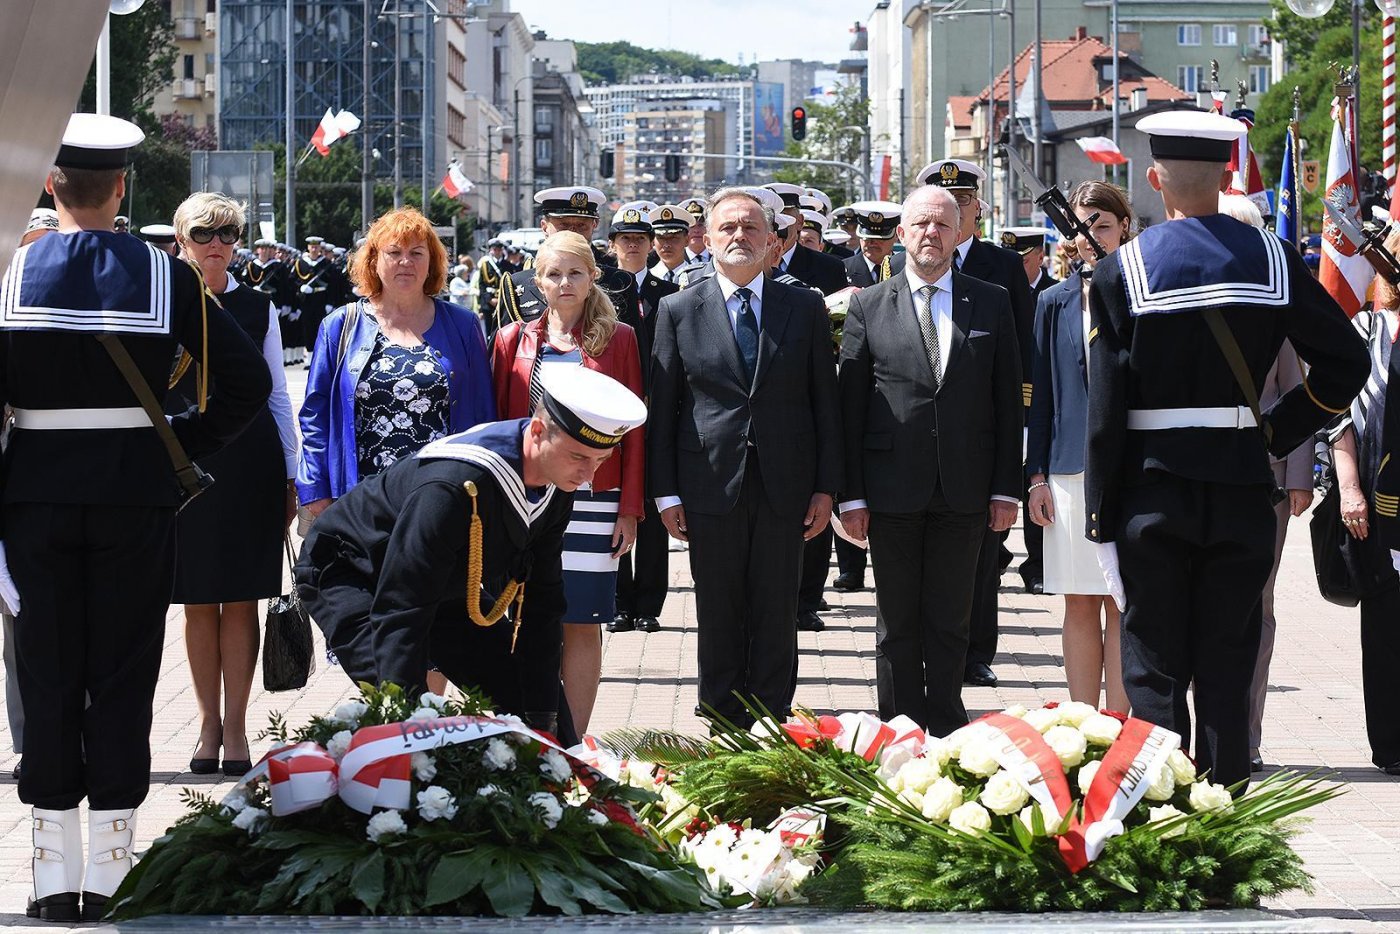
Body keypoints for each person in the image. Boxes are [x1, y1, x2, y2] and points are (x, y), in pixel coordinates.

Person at [0, 113, 269, 921]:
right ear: (122, 188)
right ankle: (114, 865)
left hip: (34, 496)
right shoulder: (169, 278)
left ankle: (51, 875)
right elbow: (248, 386)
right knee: (122, 673)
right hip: (135, 495)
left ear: (52, 185)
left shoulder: (9, 275)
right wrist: (178, 442)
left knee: (44, 674)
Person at [1084, 110, 1370, 787]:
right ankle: (1223, 837)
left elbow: (1104, 413)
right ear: (1226, 175)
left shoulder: (1120, 271)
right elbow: (1346, 365)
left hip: (1151, 492)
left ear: (1155, 180)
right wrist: (1275, 431)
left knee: (1152, 673)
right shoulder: (1272, 258)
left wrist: (1100, 518)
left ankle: (1159, 830)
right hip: (1243, 487)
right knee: (1227, 667)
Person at [295, 366, 646, 735]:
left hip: (442, 583)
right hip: (351, 570)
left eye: (600, 460)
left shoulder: (556, 485)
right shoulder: (454, 485)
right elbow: (402, 607)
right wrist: (409, 728)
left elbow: (542, 606)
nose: (589, 475)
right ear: (539, 431)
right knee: (406, 713)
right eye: (579, 457)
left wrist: (548, 726)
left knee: (532, 711)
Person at [648, 188, 842, 726]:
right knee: (717, 606)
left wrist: (827, 487)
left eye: (752, 228)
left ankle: (773, 715)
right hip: (709, 483)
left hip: (787, 484)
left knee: (778, 608)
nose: (739, 236)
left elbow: (824, 403)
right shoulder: (678, 309)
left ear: (773, 241)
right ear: (705, 239)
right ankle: (721, 714)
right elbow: (663, 408)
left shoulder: (802, 306)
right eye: (728, 228)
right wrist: (664, 493)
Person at [837, 184, 1023, 736]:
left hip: (965, 488)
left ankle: (945, 725)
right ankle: (896, 725)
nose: (931, 234)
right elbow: (850, 409)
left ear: (960, 231)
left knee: (951, 617)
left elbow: (1007, 400)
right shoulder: (868, 305)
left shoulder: (989, 300)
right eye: (920, 224)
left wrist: (1005, 489)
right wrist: (851, 494)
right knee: (896, 622)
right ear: (901, 233)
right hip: (890, 488)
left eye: (943, 224)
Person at [490, 229, 645, 735]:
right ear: (537, 281)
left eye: (575, 272)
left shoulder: (618, 339)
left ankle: (573, 737)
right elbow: (499, 424)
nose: (564, 283)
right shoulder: (513, 339)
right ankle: (525, 732)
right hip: (525, 499)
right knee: (523, 619)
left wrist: (630, 508)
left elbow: (636, 431)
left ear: (592, 277)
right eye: (553, 274)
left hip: (593, 498)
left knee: (582, 619)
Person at [165, 193, 299, 778]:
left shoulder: (259, 306)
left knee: (241, 600)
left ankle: (239, 726)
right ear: (181, 240)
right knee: (197, 602)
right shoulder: (163, 302)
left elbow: (276, 396)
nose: (216, 245)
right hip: (185, 461)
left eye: (228, 234)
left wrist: (294, 472)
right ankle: (206, 724)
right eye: (204, 234)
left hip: (250, 464)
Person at [297, 207, 495, 525]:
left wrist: (483, 490)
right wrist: (316, 490)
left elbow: (485, 416)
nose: (406, 262)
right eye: (394, 252)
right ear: (374, 261)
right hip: (359, 501)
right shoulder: (339, 326)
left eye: (417, 252)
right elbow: (315, 416)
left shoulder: (463, 325)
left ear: (432, 262)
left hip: (441, 502)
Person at [916, 159, 1037, 682]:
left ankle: (975, 653)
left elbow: (1024, 343)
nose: (954, 210)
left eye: (963, 201)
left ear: (976, 209)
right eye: (944, 201)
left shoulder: (1000, 265)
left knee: (984, 553)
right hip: (918, 436)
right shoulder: (907, 260)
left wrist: (1025, 412)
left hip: (981, 429)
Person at [1216, 193, 1316, 772]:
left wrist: (1300, 476)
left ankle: (1245, 734)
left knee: (1257, 606)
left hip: (1267, 482)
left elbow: (1298, 392)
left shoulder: (1275, 306)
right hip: (1197, 472)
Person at [1025, 182, 1133, 713]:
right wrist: (1036, 475)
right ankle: (1082, 724)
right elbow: (1041, 395)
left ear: (1124, 229)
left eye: (1103, 225)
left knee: (1124, 603)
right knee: (1079, 601)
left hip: (1130, 470)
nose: (1091, 235)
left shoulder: (1141, 293)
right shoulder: (1053, 301)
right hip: (1068, 471)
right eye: (1084, 224)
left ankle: (1120, 724)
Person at [1332, 230, 1400, 777]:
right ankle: (1392, 743)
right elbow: (1341, 417)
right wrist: (1348, 486)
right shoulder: (1365, 329)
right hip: (1379, 503)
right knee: (1384, 623)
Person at [610, 206, 682, 635]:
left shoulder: (667, 291)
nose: (633, 245)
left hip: (657, 413)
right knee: (616, 505)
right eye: (625, 238)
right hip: (613, 416)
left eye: (641, 238)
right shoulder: (599, 291)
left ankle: (648, 604)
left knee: (654, 508)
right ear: (614, 245)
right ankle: (619, 601)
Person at [492, 187, 637, 335]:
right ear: (544, 227)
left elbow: (633, 350)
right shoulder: (517, 285)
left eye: (582, 226)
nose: (572, 233)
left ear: (594, 225)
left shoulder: (620, 281)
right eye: (564, 225)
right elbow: (503, 350)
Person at [289, 235, 352, 364]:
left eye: (316, 247)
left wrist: (330, 302)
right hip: (306, 300)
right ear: (308, 247)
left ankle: (320, 357)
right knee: (307, 328)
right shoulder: (300, 263)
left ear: (320, 248)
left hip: (321, 300)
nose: (314, 249)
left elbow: (334, 285)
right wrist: (300, 287)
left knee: (321, 328)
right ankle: (310, 358)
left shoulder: (327, 264)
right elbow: (292, 281)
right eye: (312, 246)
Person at [239, 237, 298, 365]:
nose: (264, 251)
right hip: (254, 303)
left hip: (274, 302)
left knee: (274, 334)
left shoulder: (278, 267)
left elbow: (284, 288)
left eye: (267, 249)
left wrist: (284, 305)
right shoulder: (251, 266)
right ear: (257, 250)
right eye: (262, 249)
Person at [843, 201, 902, 287]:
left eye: (880, 238)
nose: (873, 242)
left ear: (896, 235)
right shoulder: (843, 270)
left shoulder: (906, 270)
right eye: (867, 237)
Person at [1001, 226, 1058, 298]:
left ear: (1040, 258)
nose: (1012, 267)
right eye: (1007, 260)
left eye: (1022, 261)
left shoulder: (1057, 293)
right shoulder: (997, 291)